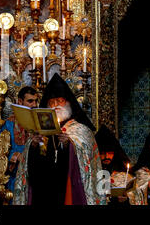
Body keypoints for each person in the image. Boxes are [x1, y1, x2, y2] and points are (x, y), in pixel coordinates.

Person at [14, 73, 106, 205]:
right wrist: (33, 146)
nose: (56, 105)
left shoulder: (81, 131)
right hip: (44, 192)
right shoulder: (40, 131)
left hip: (67, 190)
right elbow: (32, 169)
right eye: (52, 102)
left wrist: (68, 145)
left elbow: (86, 163)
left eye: (60, 101)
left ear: (69, 103)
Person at [0, 86, 38, 195]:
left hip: (37, 177)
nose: (34, 105)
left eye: (36, 101)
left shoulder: (39, 123)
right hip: (15, 178)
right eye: (30, 101)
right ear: (20, 101)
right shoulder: (9, 124)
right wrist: (16, 156)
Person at [95, 125, 132, 205]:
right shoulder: (92, 173)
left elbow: (135, 196)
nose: (106, 157)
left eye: (110, 153)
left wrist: (126, 198)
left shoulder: (123, 175)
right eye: (102, 153)